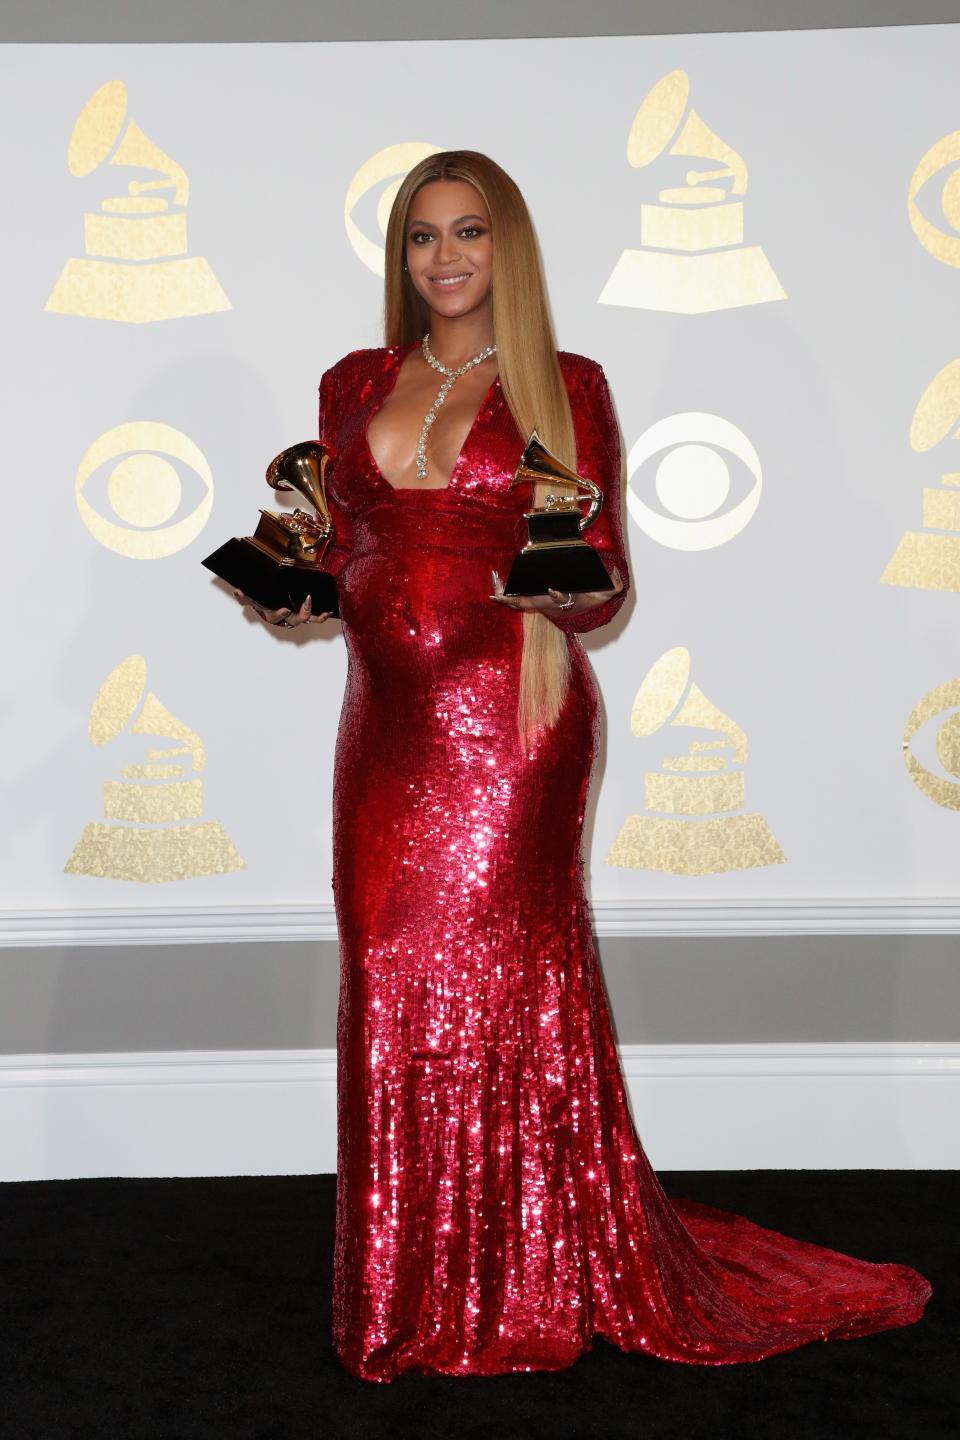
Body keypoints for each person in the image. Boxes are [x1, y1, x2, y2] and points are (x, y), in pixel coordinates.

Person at [233, 151, 931, 1383]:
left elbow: (598, 578)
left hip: (515, 727)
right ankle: (415, 1280)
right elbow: (342, 552)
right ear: (398, 257)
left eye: (470, 234)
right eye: (421, 238)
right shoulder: (355, 383)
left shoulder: (568, 385)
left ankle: (522, 1281)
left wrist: (553, 580)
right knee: (391, 979)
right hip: (383, 731)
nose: (444, 259)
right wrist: (302, 591)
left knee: (504, 987)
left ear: (511, 249)